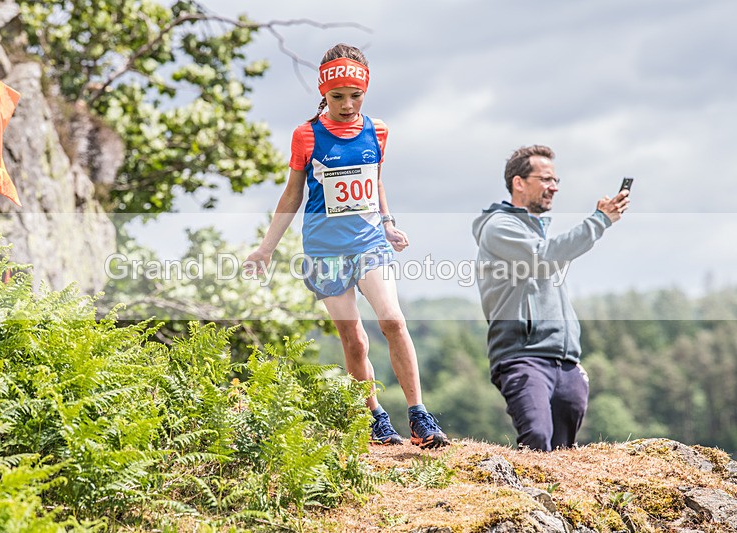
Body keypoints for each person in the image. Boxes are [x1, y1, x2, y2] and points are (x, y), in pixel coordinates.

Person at [244, 43, 449, 449]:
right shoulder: (307, 135)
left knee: (393, 320)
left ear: (365, 91)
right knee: (354, 339)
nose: (348, 104)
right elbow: (292, 195)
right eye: (338, 97)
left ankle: (419, 415)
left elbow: (374, 179)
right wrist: (266, 249)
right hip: (324, 250)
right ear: (324, 93)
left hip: (370, 241)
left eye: (356, 95)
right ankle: (375, 416)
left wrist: (389, 223)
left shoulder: (378, 130)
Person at [471, 145, 630, 451]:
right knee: (536, 438)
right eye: (545, 179)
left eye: (556, 180)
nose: (553, 187)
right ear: (519, 183)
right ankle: (519, 499)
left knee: (562, 452)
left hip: (566, 362)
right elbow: (544, 257)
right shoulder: (499, 227)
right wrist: (599, 221)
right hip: (522, 356)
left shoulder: (537, 231)